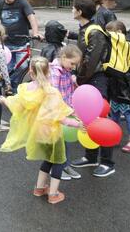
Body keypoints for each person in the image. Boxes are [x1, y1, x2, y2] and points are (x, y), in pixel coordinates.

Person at [0, 57, 80, 204]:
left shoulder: (26, 89)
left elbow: (16, 104)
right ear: (48, 72)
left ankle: (39, 188)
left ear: (31, 72)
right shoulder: (52, 93)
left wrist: (4, 100)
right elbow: (61, 118)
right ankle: (53, 194)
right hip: (51, 133)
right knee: (58, 161)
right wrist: (77, 124)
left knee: (48, 159)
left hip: (37, 133)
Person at [69, 0, 115, 177]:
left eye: (73, 8)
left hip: (97, 80)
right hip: (89, 80)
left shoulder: (94, 31)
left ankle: (107, 162)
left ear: (80, 12)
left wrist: (79, 79)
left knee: (101, 119)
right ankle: (91, 156)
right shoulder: (85, 29)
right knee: (87, 119)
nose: (71, 10)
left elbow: (90, 61)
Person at [0, 0, 42, 91]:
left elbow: (31, 18)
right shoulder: (0, 5)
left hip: (21, 42)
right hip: (6, 43)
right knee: (8, 67)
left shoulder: (22, 3)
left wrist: (35, 32)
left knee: (22, 67)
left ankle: (11, 85)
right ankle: (6, 85)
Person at [48, 44, 83, 181]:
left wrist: (74, 83)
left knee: (66, 141)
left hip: (66, 110)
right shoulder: (55, 72)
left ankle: (65, 165)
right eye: (72, 63)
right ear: (63, 57)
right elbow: (55, 95)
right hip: (56, 113)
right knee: (57, 143)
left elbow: (69, 93)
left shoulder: (66, 71)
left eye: (75, 65)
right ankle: (56, 168)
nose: (73, 67)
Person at [104, 20, 130, 154]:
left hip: (124, 85)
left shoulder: (128, 44)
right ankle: (115, 136)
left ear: (118, 33)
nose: (107, 36)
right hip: (114, 83)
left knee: (127, 113)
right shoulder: (115, 45)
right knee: (115, 113)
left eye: (109, 33)